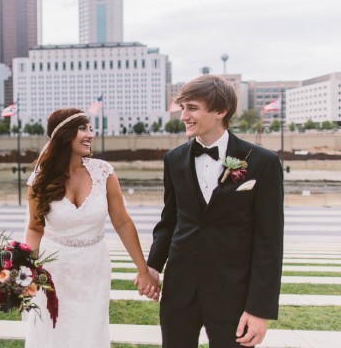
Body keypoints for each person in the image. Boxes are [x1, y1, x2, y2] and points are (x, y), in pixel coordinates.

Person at [144, 75, 284, 347]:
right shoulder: (173, 159)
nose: (184, 115)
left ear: (221, 111)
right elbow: (170, 220)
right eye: (182, 107)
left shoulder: (263, 163)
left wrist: (259, 310)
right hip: (180, 290)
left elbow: (269, 241)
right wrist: (153, 266)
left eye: (192, 108)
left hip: (233, 292)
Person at [25, 107, 160, 347]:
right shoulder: (40, 180)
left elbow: (122, 222)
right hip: (53, 270)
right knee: (50, 332)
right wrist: (28, 273)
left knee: (90, 332)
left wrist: (143, 270)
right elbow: (35, 228)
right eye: (82, 128)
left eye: (90, 128)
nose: (90, 134)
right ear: (64, 134)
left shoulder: (104, 173)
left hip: (93, 269)